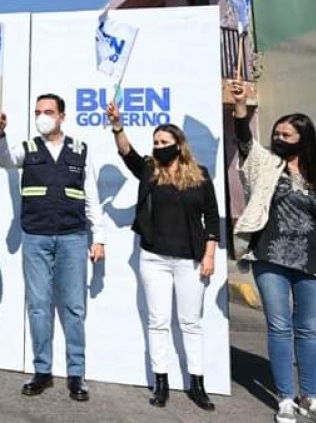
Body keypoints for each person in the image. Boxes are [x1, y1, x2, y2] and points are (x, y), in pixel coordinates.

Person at [0, 93, 105, 401]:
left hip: (73, 237)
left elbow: (91, 194)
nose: (43, 116)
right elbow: (3, 160)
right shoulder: (27, 149)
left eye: (49, 111)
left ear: (62, 117)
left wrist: (100, 238)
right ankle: (42, 371)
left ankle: (76, 375)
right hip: (36, 237)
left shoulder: (80, 149)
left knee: (73, 308)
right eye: (38, 111)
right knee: (39, 307)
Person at [106, 101, 218, 411]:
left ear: (179, 145)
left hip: (190, 259)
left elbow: (211, 216)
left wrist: (209, 256)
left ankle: (197, 384)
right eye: (155, 143)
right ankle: (162, 383)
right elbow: (127, 152)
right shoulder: (150, 171)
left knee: (190, 322)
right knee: (157, 322)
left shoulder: (200, 175)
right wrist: (117, 126)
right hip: (154, 258)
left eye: (164, 143)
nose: (158, 147)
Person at [232, 81, 316, 423]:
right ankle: (286, 398)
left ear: (303, 138)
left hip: (313, 263)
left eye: (286, 135)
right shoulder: (266, 165)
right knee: (279, 326)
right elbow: (244, 139)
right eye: (276, 134)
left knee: (307, 330)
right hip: (270, 258)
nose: (279, 139)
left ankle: (310, 397)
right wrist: (240, 107)